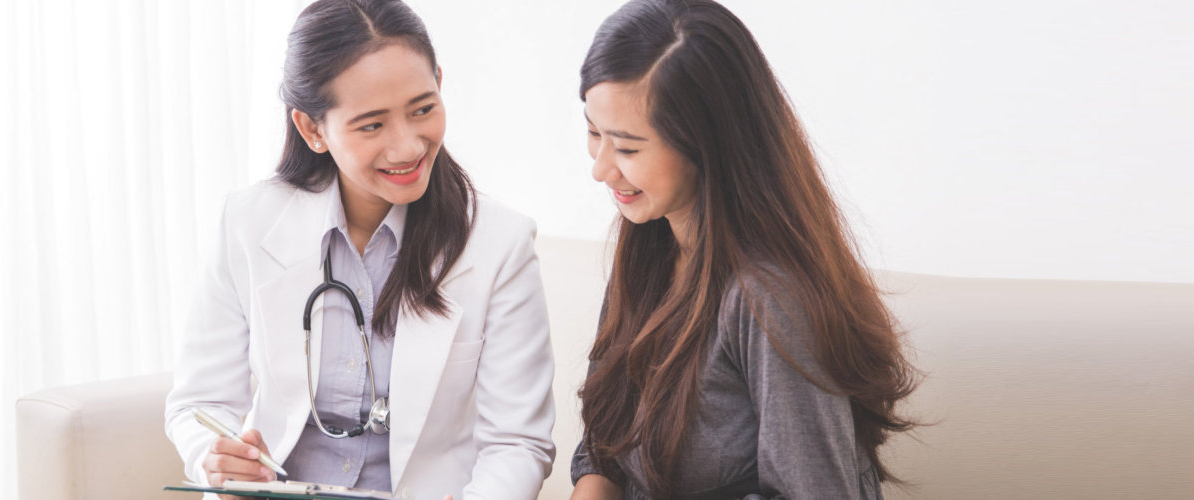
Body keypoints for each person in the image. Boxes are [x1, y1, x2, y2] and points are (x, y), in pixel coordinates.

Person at [165, 1, 555, 498]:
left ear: (439, 81)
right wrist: (213, 457)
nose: (408, 146)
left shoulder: (501, 243)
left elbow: (518, 444)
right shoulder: (245, 222)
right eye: (372, 125)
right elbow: (199, 403)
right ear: (312, 129)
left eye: (423, 109)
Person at [569, 1, 920, 498]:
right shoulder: (649, 243)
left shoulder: (769, 298)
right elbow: (605, 444)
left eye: (627, 148)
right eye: (592, 132)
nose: (601, 169)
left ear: (706, 143)